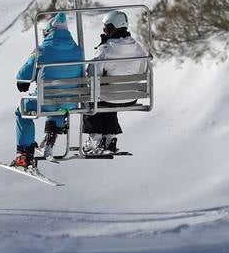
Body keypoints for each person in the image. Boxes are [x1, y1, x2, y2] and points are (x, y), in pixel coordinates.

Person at [12, 12, 85, 167]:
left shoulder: (42, 50)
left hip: (46, 101)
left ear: (49, 32)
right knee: (61, 103)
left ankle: (24, 153)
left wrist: (25, 81)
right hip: (70, 102)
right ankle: (52, 133)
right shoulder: (78, 51)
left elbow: (22, 77)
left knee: (23, 110)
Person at [82, 11, 148, 153]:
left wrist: (101, 47)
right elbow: (143, 69)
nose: (104, 31)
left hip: (109, 97)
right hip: (131, 96)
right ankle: (109, 138)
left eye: (105, 27)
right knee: (107, 94)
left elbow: (93, 73)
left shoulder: (106, 48)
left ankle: (95, 139)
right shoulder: (138, 48)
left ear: (112, 27)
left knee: (93, 94)